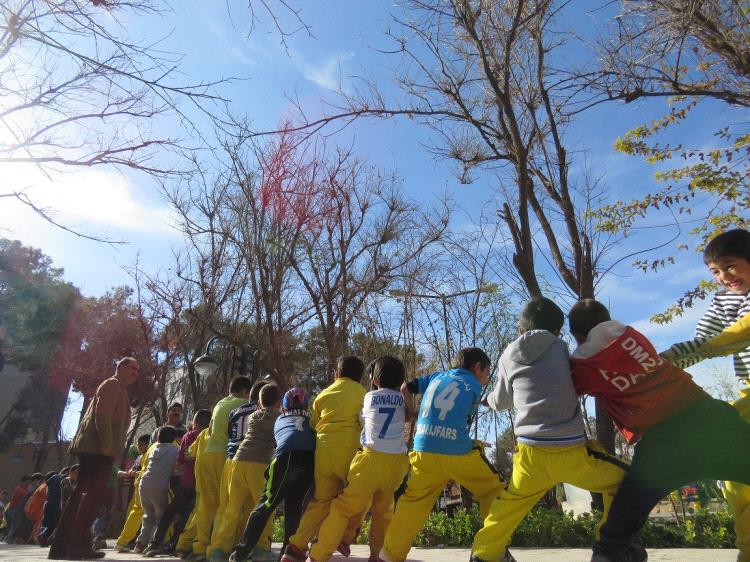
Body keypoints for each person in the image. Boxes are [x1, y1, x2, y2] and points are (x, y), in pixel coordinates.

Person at [568, 299, 750, 562]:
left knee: (631, 503)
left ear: (577, 336)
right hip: (708, 414)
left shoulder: (584, 363)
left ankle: (608, 553)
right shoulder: (632, 336)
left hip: (663, 440)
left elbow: (566, 389)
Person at [471, 298, 628, 562]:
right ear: (557, 331)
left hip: (530, 457)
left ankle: (484, 555)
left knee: (508, 507)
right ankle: (610, 548)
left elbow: (501, 401)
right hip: (571, 453)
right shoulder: (561, 348)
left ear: (520, 329)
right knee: (626, 483)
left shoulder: (508, 354)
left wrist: (486, 400)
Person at [661, 228, 750, 560]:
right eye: (716, 272)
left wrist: (702, 349)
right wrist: (664, 363)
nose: (725, 277)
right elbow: (703, 341)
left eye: (730, 266)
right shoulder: (724, 301)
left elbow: (733, 336)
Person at [379, 347, 505, 562]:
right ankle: (491, 551)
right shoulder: (474, 385)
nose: (486, 380)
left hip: (422, 450)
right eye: (486, 373)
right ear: (477, 368)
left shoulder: (436, 377)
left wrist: (412, 412)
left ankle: (388, 555)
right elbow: (461, 420)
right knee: (495, 490)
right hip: (457, 454)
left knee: (414, 503)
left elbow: (405, 387)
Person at [309, 356, 413, 562]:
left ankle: (318, 555)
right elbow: (409, 416)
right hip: (396, 465)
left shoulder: (369, 398)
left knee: (342, 507)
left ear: (375, 380)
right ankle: (376, 555)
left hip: (370, 461)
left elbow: (362, 419)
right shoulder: (402, 402)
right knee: (383, 513)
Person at [49, 356, 138, 561]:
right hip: (98, 449)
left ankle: (61, 547)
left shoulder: (118, 388)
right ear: (120, 367)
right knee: (91, 496)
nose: (135, 373)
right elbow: (102, 415)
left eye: (137, 370)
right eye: (132, 368)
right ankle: (77, 546)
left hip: (96, 449)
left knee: (81, 494)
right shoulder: (112, 385)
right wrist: (107, 444)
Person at [280, 356, 368, 562]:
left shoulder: (323, 395)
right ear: (360, 377)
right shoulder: (363, 394)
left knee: (320, 502)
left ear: (336, 374)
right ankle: (344, 536)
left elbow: (313, 424)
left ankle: (295, 547)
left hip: (323, 452)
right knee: (362, 493)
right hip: (349, 450)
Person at [229, 387, 316, 562]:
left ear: (283, 406)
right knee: (294, 509)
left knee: (265, 506)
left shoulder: (280, 418)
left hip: (286, 458)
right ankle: (287, 553)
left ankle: (240, 553)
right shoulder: (311, 420)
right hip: (308, 461)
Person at [209, 384, 283, 562]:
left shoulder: (253, 416)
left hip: (238, 461)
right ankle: (260, 548)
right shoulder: (279, 418)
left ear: (259, 402)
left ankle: (219, 549)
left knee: (232, 508)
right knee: (264, 508)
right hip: (259, 464)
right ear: (279, 402)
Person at [192, 375, 254, 561]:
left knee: (206, 503)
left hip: (207, 455)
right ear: (245, 391)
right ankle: (217, 548)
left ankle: (199, 546)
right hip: (224, 456)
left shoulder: (219, 403)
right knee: (225, 504)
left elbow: (210, 430)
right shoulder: (244, 405)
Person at [144, 409, 212, 557]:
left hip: (186, 482)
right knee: (190, 515)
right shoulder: (210, 436)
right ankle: (179, 545)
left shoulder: (188, 436)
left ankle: (154, 544)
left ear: (195, 423)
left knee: (171, 512)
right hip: (203, 483)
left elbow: (180, 461)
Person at [136, 426, 180, 551]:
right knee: (160, 517)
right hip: (159, 486)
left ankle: (140, 544)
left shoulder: (153, 448)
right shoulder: (175, 449)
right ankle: (152, 544)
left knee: (148, 516)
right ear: (173, 439)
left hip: (144, 484)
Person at [113, 433, 152, 553]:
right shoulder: (141, 457)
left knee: (138, 514)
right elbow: (132, 471)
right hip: (139, 488)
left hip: (141, 487)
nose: (139, 447)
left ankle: (125, 541)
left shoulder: (149, 454)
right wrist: (133, 473)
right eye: (138, 445)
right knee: (137, 513)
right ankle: (127, 541)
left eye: (142, 445)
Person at [36, 467, 68, 546]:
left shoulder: (53, 478)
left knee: (46, 523)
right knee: (56, 523)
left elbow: (47, 485)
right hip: (57, 503)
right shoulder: (66, 479)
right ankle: (48, 538)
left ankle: (42, 536)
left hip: (47, 503)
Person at [4, 476, 31, 543]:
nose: (28, 485)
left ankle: (14, 538)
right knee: (16, 524)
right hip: (14, 509)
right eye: (26, 483)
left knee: (19, 524)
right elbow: (27, 496)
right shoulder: (19, 489)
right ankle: (10, 538)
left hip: (18, 509)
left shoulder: (25, 489)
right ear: (22, 482)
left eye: (29, 483)